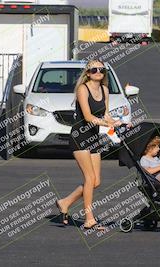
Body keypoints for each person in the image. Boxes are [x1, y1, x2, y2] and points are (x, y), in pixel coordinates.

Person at [56, 59, 122, 230]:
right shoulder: (82, 89)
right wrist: (107, 125)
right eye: (94, 69)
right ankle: (89, 219)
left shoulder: (105, 90)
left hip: (94, 136)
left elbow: (105, 114)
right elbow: (87, 117)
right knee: (89, 178)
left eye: (101, 69)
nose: (98, 72)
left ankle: (65, 202)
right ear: (87, 73)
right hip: (80, 136)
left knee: (96, 181)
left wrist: (117, 122)